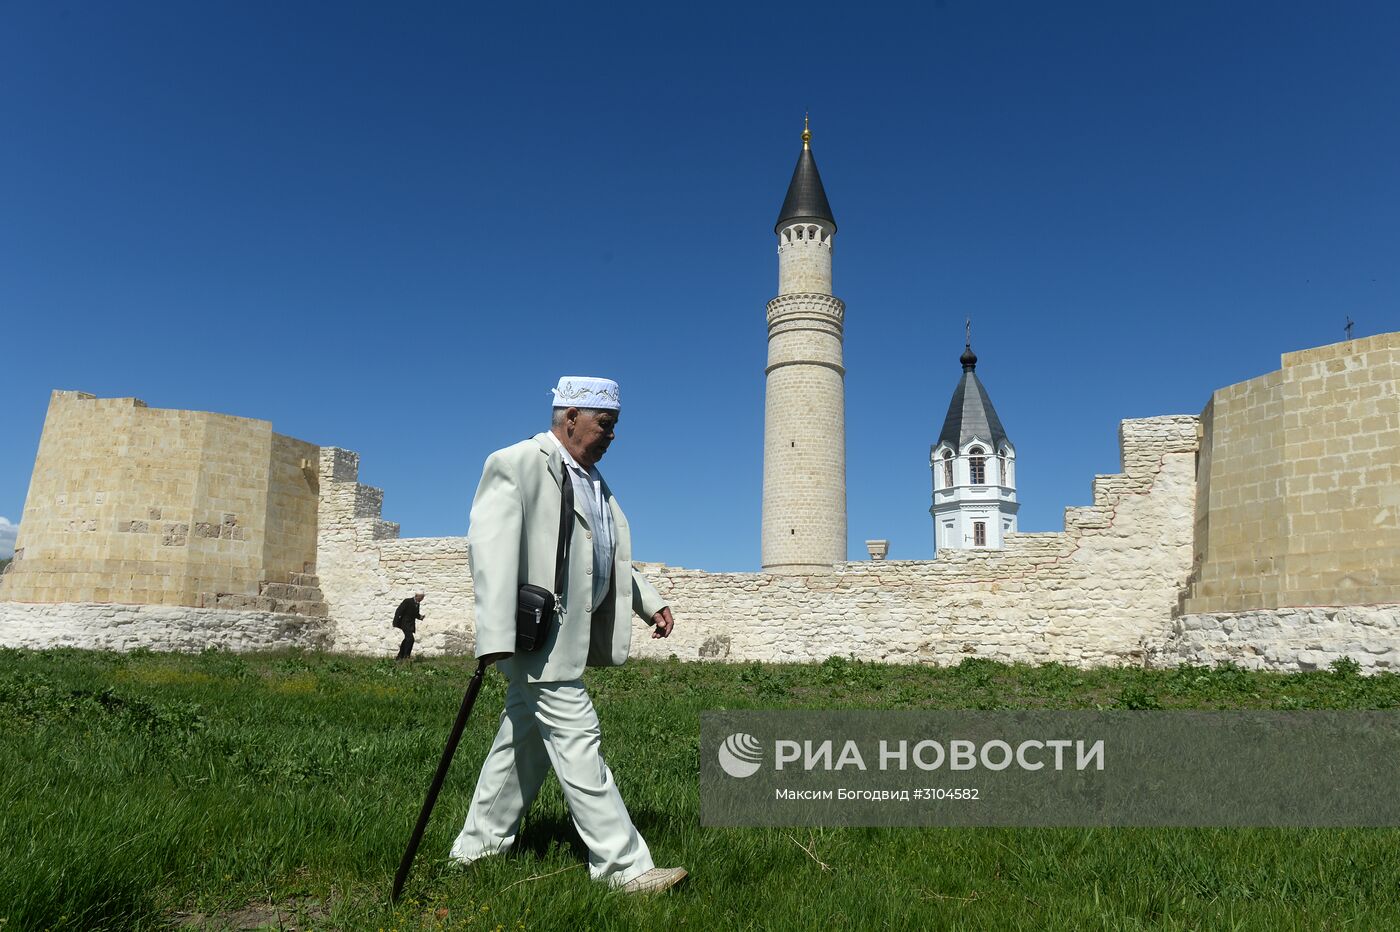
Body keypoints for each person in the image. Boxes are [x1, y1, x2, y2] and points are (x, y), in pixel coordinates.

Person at [450, 376, 687, 895]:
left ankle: (474, 851)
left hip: (565, 638)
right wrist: (494, 636)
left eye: (615, 426)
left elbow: (606, 555)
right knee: (580, 742)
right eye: (606, 424)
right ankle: (625, 868)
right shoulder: (518, 463)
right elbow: (488, 552)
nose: (611, 435)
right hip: (539, 637)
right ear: (571, 416)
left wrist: (650, 602)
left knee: (521, 749)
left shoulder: (593, 480)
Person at [393, 591, 425, 661]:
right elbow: (399, 611)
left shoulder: (417, 604)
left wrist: (420, 617)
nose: (422, 599)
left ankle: (400, 656)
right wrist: (396, 622)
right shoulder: (407, 601)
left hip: (410, 624)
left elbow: (415, 614)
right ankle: (406, 656)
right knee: (410, 639)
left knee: (407, 639)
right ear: (417, 596)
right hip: (404, 623)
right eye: (421, 597)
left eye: (423, 597)